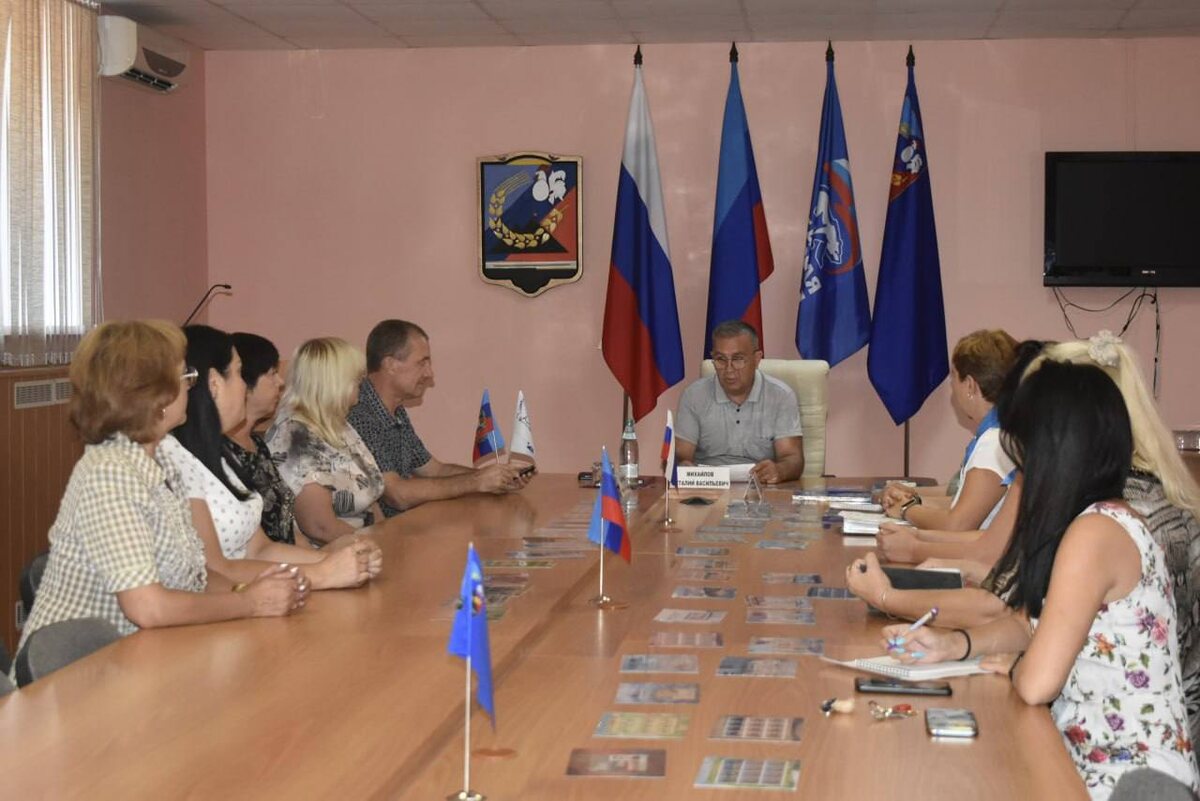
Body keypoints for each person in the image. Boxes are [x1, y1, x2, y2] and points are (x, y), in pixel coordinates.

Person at [852, 333, 1200, 748]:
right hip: (1092, 745)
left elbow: (1036, 683)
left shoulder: (1096, 531)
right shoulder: (1100, 512)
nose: (1019, 469)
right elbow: (1028, 620)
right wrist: (954, 645)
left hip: (1119, 771)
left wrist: (1018, 665)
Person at [16, 321, 303, 659]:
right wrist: (249, 602)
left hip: (148, 657)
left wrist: (251, 591)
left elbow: (193, 574)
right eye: (185, 378)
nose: (191, 387)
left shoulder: (164, 454)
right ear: (153, 395)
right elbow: (147, 607)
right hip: (79, 679)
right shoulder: (110, 472)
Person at [162, 325, 381, 590]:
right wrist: (322, 573)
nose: (246, 386)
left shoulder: (223, 452)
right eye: (240, 373)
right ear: (214, 383)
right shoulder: (174, 457)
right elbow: (214, 569)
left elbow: (260, 549)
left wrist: (333, 560)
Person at [347, 319, 530, 517]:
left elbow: (435, 470)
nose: (429, 374)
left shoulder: (395, 410)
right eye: (422, 363)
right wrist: (476, 482)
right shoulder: (360, 413)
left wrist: (497, 479)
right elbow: (397, 495)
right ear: (390, 365)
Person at [880, 329, 1018, 530]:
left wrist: (906, 510)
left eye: (954, 377)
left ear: (970, 385)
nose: (952, 386)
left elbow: (957, 525)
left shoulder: (994, 444)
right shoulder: (1001, 431)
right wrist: (912, 498)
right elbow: (959, 506)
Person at [267, 337, 386, 545]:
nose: (362, 385)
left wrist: (387, 536)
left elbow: (371, 493)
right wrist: (380, 546)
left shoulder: (337, 423)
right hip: (329, 555)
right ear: (334, 384)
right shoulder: (295, 437)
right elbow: (320, 526)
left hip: (362, 543)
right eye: (356, 379)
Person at [674, 320, 803, 484]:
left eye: (738, 359)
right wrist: (682, 466)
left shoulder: (781, 396)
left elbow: (793, 458)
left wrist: (779, 470)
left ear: (757, 359)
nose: (729, 369)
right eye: (720, 359)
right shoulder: (694, 396)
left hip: (761, 488)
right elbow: (681, 456)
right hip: (708, 487)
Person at [224, 332, 297, 544]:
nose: (280, 382)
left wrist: (323, 558)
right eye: (272, 373)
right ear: (245, 383)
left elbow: (287, 525)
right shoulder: (223, 451)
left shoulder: (257, 444)